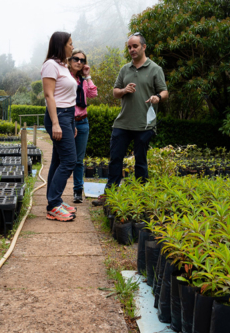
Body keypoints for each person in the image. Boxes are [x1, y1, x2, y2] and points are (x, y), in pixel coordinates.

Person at [92, 32, 168, 206]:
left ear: (144, 47)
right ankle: (109, 195)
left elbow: (164, 91)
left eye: (135, 46)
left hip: (144, 124)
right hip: (123, 123)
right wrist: (124, 90)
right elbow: (115, 92)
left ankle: (141, 197)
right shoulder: (125, 69)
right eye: (129, 47)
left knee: (141, 161)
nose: (132, 49)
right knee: (115, 159)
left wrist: (158, 97)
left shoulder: (155, 69)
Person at [41, 31, 78, 221]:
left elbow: (68, 96)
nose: (72, 47)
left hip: (67, 116)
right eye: (70, 44)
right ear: (60, 45)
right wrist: (56, 123)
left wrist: (71, 124)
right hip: (59, 116)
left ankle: (55, 200)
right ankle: (53, 205)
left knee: (58, 160)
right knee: (69, 160)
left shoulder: (63, 66)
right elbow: (49, 96)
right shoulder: (50, 65)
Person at [68, 48, 98, 203]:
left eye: (82, 60)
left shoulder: (83, 81)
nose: (79, 62)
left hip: (83, 122)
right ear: (70, 60)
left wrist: (88, 76)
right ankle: (56, 191)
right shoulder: (66, 78)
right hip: (68, 123)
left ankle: (77, 192)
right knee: (65, 160)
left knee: (79, 160)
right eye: (76, 59)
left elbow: (93, 94)